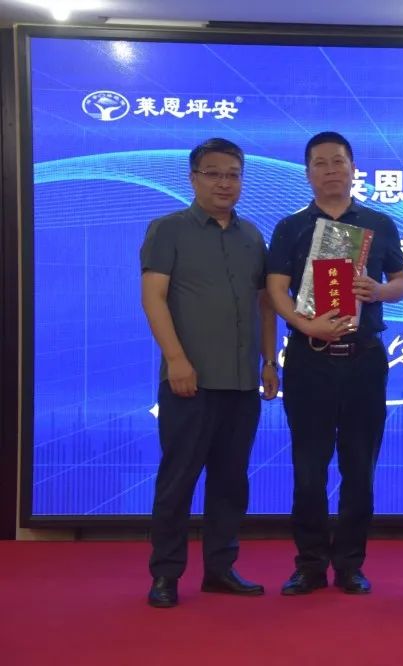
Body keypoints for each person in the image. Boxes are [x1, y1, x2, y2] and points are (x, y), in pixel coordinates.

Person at [267, 131, 403, 596]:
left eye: (338, 161)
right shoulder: (291, 227)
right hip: (309, 360)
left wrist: (379, 290)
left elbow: (402, 281)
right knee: (308, 468)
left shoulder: (378, 223)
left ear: (353, 169)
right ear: (308, 173)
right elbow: (275, 288)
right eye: (320, 163)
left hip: (363, 360)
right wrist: (304, 324)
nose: (330, 170)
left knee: (359, 466)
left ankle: (350, 564)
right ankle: (309, 564)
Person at [140, 138, 279, 608]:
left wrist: (269, 360)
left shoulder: (252, 236)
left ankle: (220, 569)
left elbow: (264, 305)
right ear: (193, 178)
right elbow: (153, 297)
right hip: (190, 380)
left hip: (241, 381)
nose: (224, 183)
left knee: (230, 481)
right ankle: (165, 575)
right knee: (177, 480)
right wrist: (176, 359)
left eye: (233, 174)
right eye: (213, 173)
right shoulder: (168, 229)